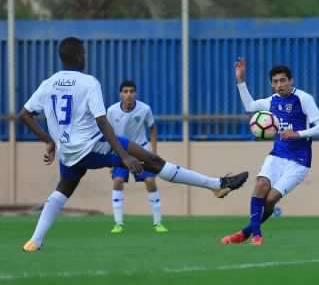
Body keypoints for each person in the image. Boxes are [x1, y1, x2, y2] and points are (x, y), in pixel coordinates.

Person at [20, 37, 248, 252]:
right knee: (153, 160)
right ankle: (216, 184)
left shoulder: (48, 84)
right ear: (80, 56)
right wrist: (124, 155)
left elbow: (25, 114)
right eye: (85, 53)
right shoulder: (89, 83)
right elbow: (102, 120)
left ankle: (34, 241)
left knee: (63, 190)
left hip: (68, 151)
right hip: (92, 145)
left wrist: (49, 140)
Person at [221, 58, 319, 246]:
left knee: (270, 200)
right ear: (272, 84)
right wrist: (241, 81)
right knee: (261, 184)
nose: (279, 85)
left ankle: (245, 232)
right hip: (277, 154)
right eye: (275, 81)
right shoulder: (272, 101)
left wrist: (298, 134)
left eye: (283, 80)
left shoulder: (303, 99)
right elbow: (250, 107)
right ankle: (256, 234)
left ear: (291, 81)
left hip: (299, 161)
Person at [107, 80, 166, 234]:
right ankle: (118, 223)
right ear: (120, 94)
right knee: (118, 181)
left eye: (131, 91)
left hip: (141, 150)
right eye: (125, 91)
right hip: (121, 152)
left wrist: (153, 151)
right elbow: (108, 135)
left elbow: (152, 128)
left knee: (150, 181)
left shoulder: (144, 109)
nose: (128, 95)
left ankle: (157, 223)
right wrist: (109, 160)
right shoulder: (112, 111)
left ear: (136, 93)